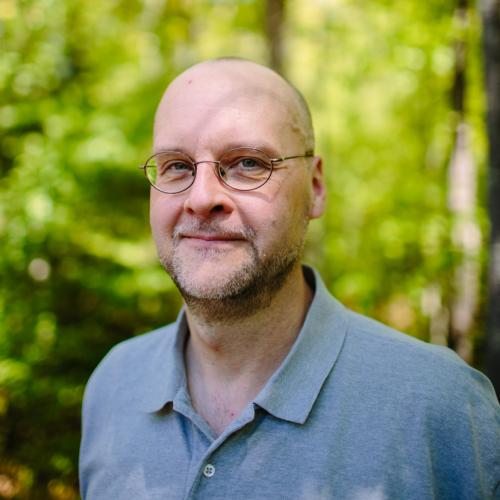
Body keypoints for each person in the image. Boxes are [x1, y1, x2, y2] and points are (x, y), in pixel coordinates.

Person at [79, 58, 500, 500]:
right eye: (177, 166)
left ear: (315, 188)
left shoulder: (442, 406)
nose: (202, 198)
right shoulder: (113, 386)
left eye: (246, 163)